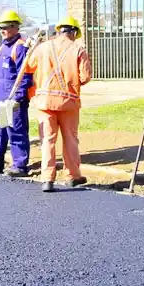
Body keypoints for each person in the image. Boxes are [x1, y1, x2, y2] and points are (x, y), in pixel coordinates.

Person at [25, 16, 92, 192]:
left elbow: (28, 67)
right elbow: (85, 78)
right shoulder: (79, 49)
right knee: (70, 140)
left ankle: (47, 179)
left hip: (44, 102)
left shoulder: (42, 47)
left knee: (47, 140)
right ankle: (73, 176)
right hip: (68, 104)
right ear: (74, 32)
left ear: (59, 30)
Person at [0, 10, 33, 177]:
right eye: (0, 28)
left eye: (5, 28)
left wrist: (18, 97)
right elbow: (7, 72)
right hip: (0, 94)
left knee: (15, 130)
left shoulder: (20, 47)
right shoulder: (4, 46)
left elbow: (24, 74)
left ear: (15, 27)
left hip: (13, 95)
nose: (2, 31)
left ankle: (20, 165)